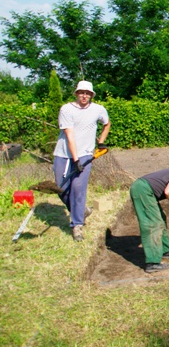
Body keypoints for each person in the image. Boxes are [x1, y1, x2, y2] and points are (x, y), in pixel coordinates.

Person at [53, 80, 111, 242]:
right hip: (64, 154)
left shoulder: (98, 109)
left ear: (91, 95)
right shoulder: (66, 109)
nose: (84, 95)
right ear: (76, 93)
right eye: (81, 92)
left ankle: (77, 225)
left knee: (78, 188)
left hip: (85, 153)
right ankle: (81, 210)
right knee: (61, 187)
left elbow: (107, 124)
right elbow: (70, 135)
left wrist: (101, 142)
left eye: (87, 93)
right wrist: (75, 159)